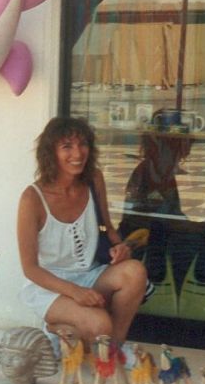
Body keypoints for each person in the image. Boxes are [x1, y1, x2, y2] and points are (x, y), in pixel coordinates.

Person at [17, 117, 147, 349]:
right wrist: (75, 292)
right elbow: (30, 269)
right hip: (50, 286)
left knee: (135, 271)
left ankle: (114, 348)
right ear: (50, 152)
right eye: (67, 146)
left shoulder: (94, 179)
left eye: (83, 144)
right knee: (100, 325)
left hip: (90, 274)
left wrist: (120, 248)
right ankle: (56, 328)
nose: (78, 153)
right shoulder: (32, 199)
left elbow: (107, 227)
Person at [119, 133, 205, 289]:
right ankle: (200, 282)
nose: (181, 159)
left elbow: (173, 215)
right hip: (153, 241)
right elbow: (148, 220)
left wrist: (191, 226)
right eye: (179, 154)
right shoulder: (146, 174)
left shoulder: (165, 176)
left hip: (169, 235)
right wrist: (193, 228)